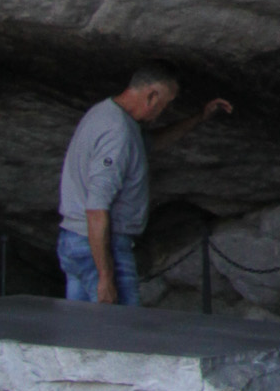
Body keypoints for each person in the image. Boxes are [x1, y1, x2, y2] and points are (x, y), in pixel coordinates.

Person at [57, 68, 232, 306]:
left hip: (74, 240)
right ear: (151, 96)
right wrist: (106, 277)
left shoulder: (105, 114)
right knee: (121, 326)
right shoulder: (117, 132)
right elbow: (96, 208)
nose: (164, 112)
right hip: (99, 247)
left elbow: (150, 143)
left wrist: (200, 117)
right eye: (165, 104)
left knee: (79, 326)